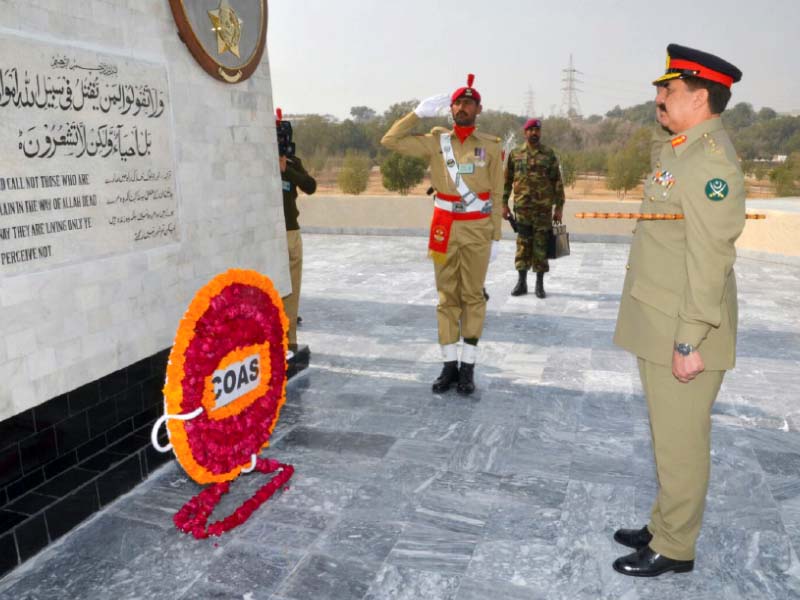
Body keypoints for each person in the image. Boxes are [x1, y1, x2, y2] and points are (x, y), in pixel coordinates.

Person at [612, 43, 745, 577]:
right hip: (660, 316)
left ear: (701, 97)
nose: (659, 96)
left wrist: (690, 339)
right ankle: (662, 523)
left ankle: (676, 546)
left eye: (669, 89)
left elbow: (711, 259)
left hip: (684, 326)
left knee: (682, 442)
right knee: (667, 435)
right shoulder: (682, 150)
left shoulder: (711, 165)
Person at [381, 74, 503, 395]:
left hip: (476, 227)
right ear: (450, 108)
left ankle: (468, 369)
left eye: (469, 103)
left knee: (473, 297)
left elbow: (499, 192)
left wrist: (495, 231)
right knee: (447, 297)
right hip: (443, 227)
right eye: (458, 103)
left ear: (479, 109)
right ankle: (449, 366)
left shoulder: (490, 147)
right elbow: (390, 140)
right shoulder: (437, 142)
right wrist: (417, 115)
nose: (463, 108)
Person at [503, 118, 565, 298]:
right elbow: (506, 181)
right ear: (525, 133)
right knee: (523, 245)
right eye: (530, 130)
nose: (534, 133)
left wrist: (559, 208)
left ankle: (539, 285)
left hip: (543, 211)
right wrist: (503, 204)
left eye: (537, 130)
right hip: (522, 210)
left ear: (540, 133)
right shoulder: (515, 154)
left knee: (541, 246)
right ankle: (521, 283)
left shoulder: (549, 154)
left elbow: (557, 183)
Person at [279, 135, 317, 351]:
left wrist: (287, 170)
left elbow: (310, 186)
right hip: (268, 235)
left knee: (291, 291)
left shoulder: (292, 162)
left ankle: (289, 341)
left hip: (290, 231)